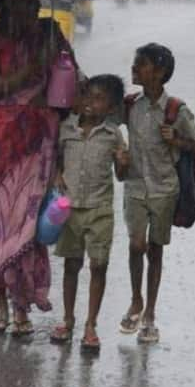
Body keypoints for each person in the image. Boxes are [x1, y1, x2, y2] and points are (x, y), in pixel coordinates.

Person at [0, 0, 75, 337]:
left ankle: (22, 308)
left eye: (35, 5)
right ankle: (1, 303)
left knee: (24, 225)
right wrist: (31, 68)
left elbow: (70, 83)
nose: (33, 11)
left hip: (36, 144)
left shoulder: (49, 34)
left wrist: (55, 87)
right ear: (4, 6)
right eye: (24, 5)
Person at [120, 43, 195, 343]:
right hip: (134, 188)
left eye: (140, 64)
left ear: (159, 72)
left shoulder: (176, 110)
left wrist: (178, 140)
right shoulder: (130, 105)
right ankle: (135, 299)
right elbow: (99, 109)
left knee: (155, 250)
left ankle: (150, 314)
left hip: (164, 190)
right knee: (136, 245)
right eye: (134, 63)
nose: (134, 68)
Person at [49, 75, 129, 351]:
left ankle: (90, 325)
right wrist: (58, 175)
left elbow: (121, 175)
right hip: (70, 208)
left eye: (98, 99)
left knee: (99, 265)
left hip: (100, 209)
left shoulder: (113, 134)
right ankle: (68, 320)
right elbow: (56, 159)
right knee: (71, 265)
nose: (89, 103)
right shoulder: (66, 129)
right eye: (86, 96)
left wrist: (122, 163)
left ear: (110, 108)